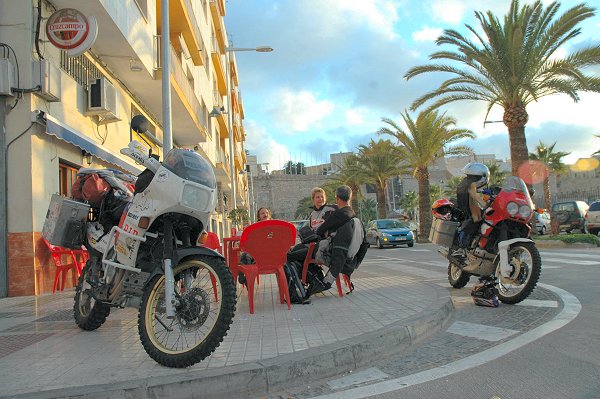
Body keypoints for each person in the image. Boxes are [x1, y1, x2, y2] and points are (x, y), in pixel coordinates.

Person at [315, 185, 357, 287]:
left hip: (331, 252)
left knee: (297, 254)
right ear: (350, 198)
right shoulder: (352, 213)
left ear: (337, 198)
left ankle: (310, 282)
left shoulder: (338, 214)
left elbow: (319, 231)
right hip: (349, 255)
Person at [286, 187, 337, 264]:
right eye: (317, 197)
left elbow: (345, 210)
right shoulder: (312, 214)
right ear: (313, 200)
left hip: (325, 245)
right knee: (294, 249)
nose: (320, 199)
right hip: (314, 243)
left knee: (291, 256)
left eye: (322, 196)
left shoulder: (331, 209)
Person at [454, 162, 490, 254]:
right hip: (471, 212)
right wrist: (485, 204)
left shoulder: (464, 183)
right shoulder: (472, 184)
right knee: (482, 220)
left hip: (465, 210)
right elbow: (474, 196)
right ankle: (464, 247)